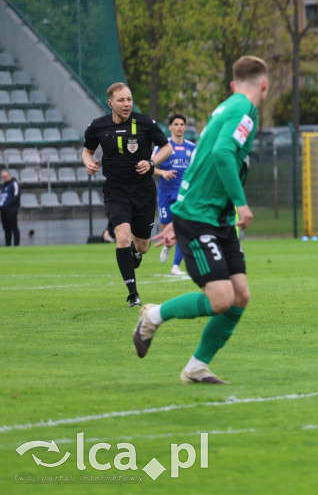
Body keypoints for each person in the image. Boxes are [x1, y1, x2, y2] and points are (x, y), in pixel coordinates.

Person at [133, 56, 269, 384]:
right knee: (221, 299)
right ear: (264, 85)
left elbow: (199, 163)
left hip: (210, 216)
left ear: (234, 84)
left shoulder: (225, 108)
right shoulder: (245, 111)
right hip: (201, 217)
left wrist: (175, 215)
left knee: (240, 296)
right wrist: (242, 204)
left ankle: (196, 367)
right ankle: (152, 316)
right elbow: (222, 154)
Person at [82, 83, 173, 307]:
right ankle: (133, 294)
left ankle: (136, 251)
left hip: (143, 190)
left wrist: (151, 162)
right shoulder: (98, 126)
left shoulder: (145, 123)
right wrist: (88, 163)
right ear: (110, 103)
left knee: (142, 246)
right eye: (121, 100)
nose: (127, 104)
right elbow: (87, 151)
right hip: (116, 190)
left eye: (129, 99)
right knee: (122, 237)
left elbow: (167, 148)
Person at [154, 114, 195, 277]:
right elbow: (150, 166)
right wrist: (162, 172)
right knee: (166, 226)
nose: (179, 127)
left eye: (182, 124)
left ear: (185, 127)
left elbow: (196, 169)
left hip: (184, 195)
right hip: (165, 193)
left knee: (182, 228)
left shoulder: (191, 147)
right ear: (170, 127)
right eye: (176, 124)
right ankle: (167, 245)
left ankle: (176, 266)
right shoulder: (163, 147)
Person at [0, 169, 20, 246]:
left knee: (14, 227)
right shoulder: (3, 186)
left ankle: (16, 245)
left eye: (5, 176)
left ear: (9, 176)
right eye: (2, 177)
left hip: (11, 210)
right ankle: (8, 245)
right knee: (6, 229)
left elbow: (16, 196)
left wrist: (8, 204)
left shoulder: (14, 184)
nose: (4, 178)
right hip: (3, 210)